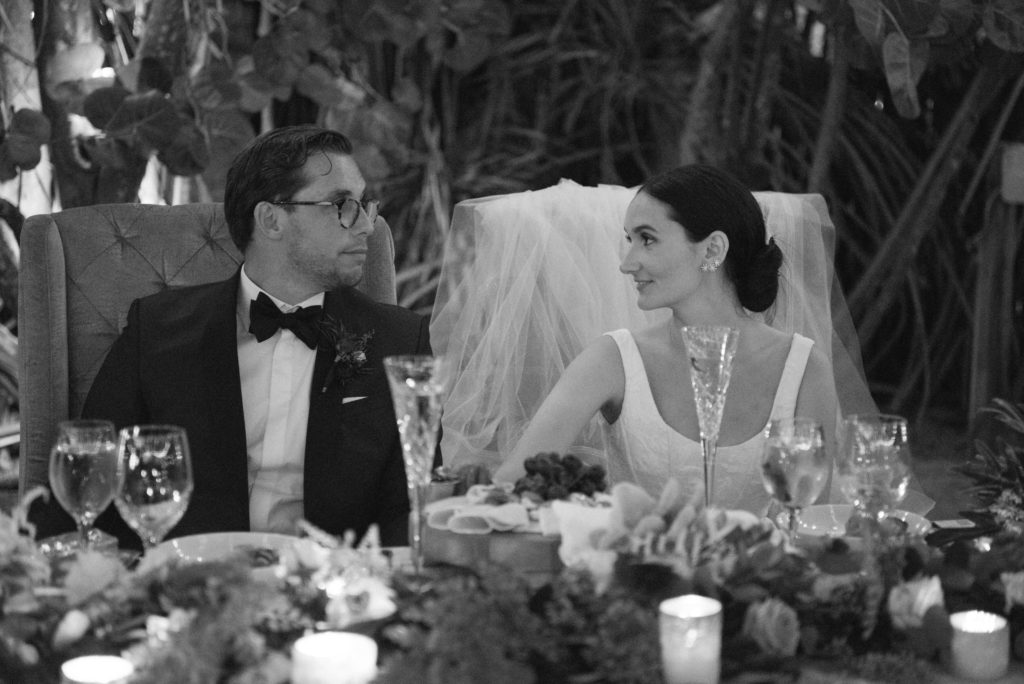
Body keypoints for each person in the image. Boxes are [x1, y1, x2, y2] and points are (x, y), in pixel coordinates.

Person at [32, 125, 433, 548]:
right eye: (342, 205)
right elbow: (86, 484)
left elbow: (412, 507)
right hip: (190, 576)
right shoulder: (157, 330)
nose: (366, 225)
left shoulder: (400, 341)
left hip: (335, 579)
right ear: (271, 219)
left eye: (364, 204)